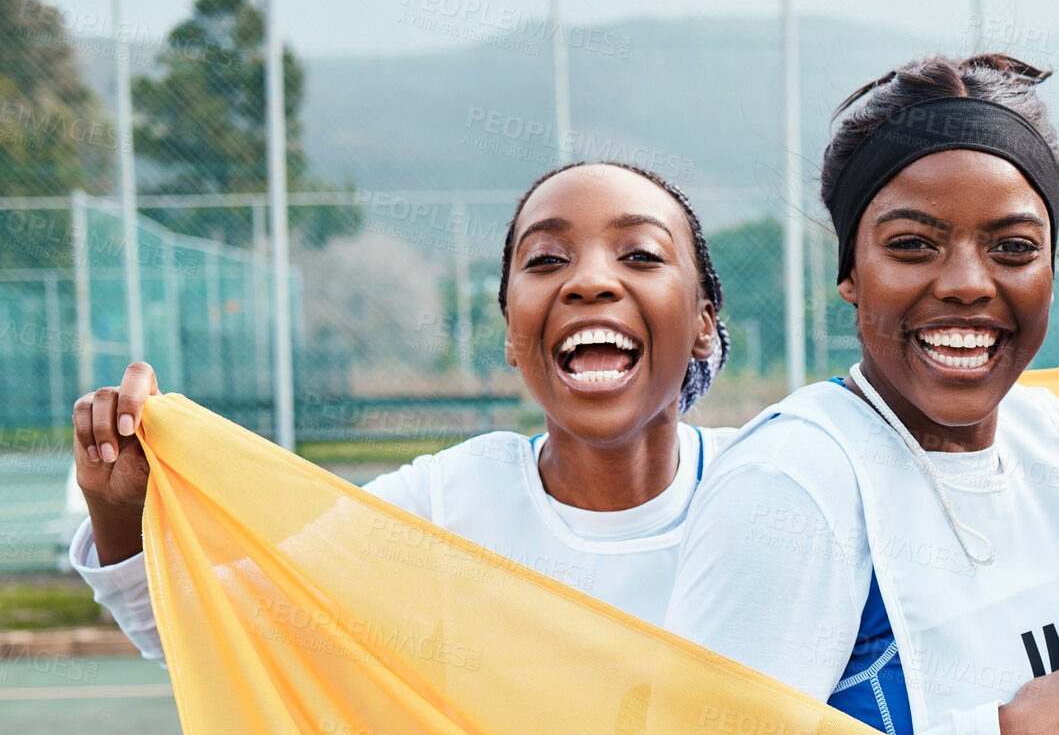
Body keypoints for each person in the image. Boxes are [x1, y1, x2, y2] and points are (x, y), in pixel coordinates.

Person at [667, 54, 1059, 735]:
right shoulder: (792, 484)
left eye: (1013, 247)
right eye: (912, 245)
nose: (968, 284)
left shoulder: (1051, 438)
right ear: (851, 272)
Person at [70, 161, 735, 653]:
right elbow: (206, 630)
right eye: (547, 259)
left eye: (641, 253)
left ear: (704, 322)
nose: (589, 281)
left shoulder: (776, 482)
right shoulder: (444, 508)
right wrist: (118, 509)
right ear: (510, 331)